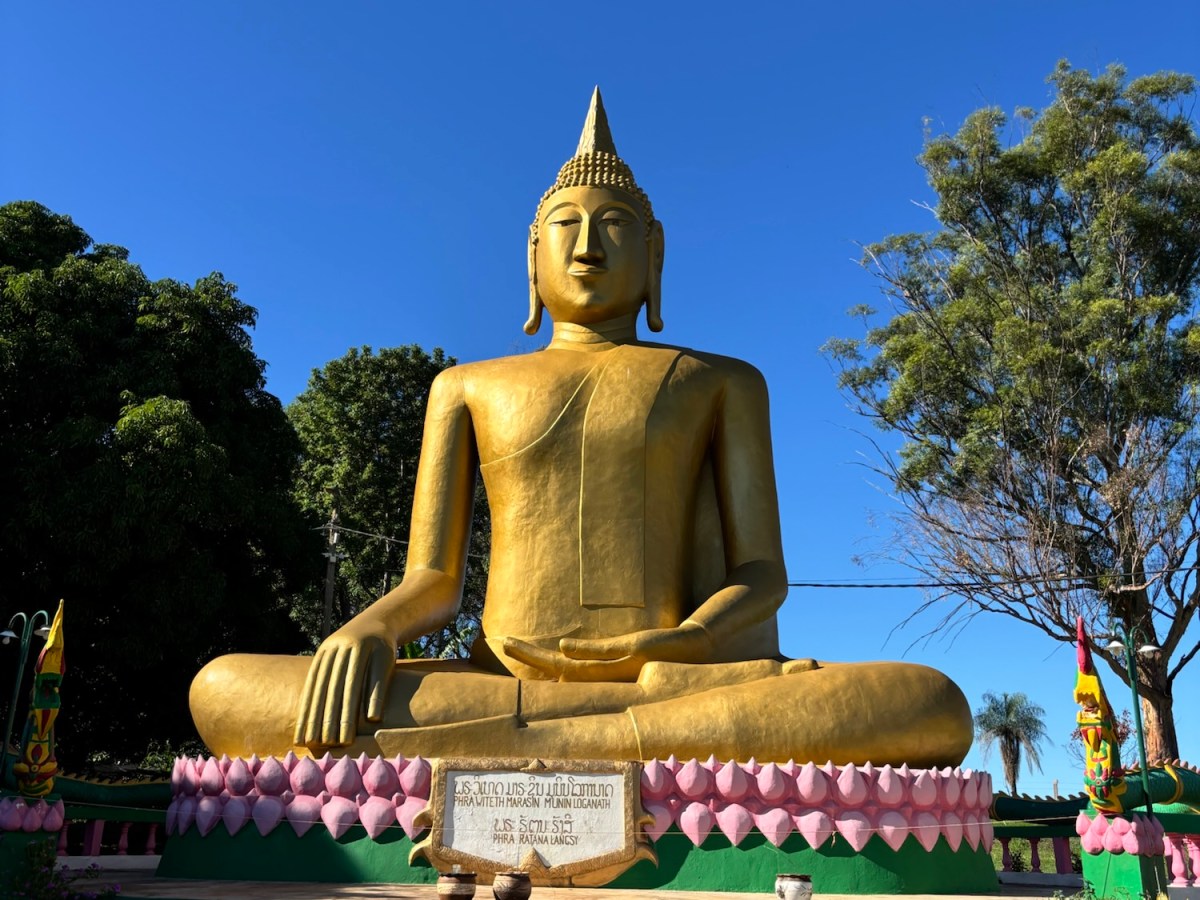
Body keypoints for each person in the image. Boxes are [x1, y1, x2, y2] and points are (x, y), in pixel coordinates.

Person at [190, 89, 972, 766]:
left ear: (655, 256)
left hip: (670, 679)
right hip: (506, 680)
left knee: (928, 702)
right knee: (225, 688)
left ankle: (539, 743)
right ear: (532, 258)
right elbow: (433, 581)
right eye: (565, 225)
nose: (589, 245)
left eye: (616, 226)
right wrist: (370, 630)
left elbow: (761, 574)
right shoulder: (465, 387)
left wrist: (690, 642)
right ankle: (606, 738)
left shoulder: (721, 381)